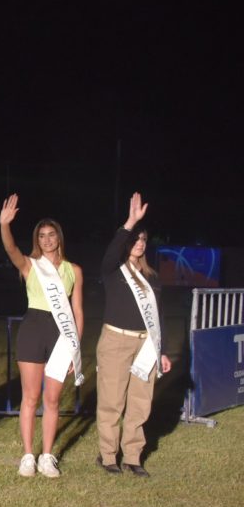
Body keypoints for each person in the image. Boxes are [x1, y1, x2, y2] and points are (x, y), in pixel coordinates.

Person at [0, 194, 84, 478]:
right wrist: (5, 225)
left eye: (51, 235)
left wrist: (75, 349)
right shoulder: (29, 265)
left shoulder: (74, 270)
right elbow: (10, 248)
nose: (47, 240)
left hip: (61, 334)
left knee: (53, 399)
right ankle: (27, 456)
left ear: (59, 237)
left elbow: (78, 311)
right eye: (41, 236)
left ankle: (47, 456)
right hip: (33, 329)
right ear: (37, 240)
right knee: (31, 396)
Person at [95, 192, 172, 477]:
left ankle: (132, 456)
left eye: (143, 240)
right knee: (112, 401)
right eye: (134, 239)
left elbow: (159, 315)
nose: (139, 244)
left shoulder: (152, 277)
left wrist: (162, 350)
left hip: (146, 345)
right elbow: (112, 250)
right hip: (116, 340)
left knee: (140, 402)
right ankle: (107, 456)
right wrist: (130, 222)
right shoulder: (113, 270)